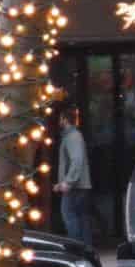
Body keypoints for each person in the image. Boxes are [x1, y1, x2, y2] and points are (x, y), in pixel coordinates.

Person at [54, 105, 94, 248]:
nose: (59, 121)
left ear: (65, 120)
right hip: (80, 186)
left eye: (60, 118)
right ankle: (86, 251)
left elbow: (77, 160)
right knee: (82, 220)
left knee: (70, 217)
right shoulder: (74, 136)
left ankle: (77, 250)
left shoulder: (72, 136)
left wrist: (68, 182)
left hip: (75, 187)